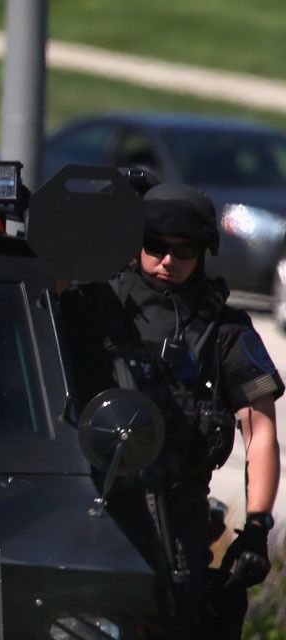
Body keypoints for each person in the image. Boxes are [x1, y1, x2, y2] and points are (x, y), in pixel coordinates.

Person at [59, 182, 281, 638]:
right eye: (156, 246)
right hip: (92, 512)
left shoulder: (225, 331)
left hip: (179, 524)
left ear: (203, 253)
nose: (168, 260)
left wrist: (257, 527)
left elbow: (259, 431)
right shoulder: (94, 307)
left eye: (184, 251)